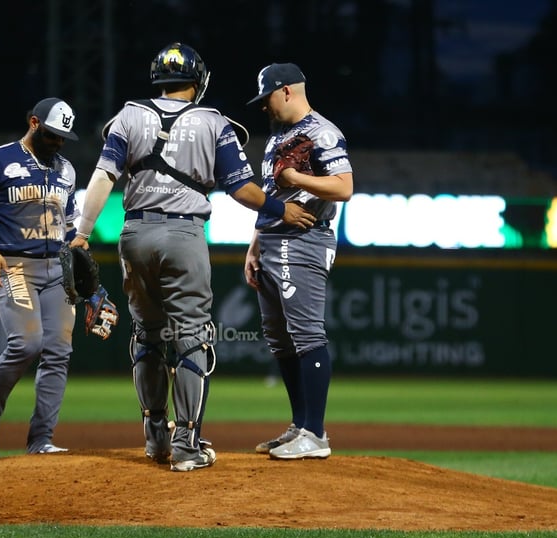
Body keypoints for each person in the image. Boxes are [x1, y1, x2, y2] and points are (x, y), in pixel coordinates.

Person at [71, 43, 314, 472]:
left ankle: (155, 438)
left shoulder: (128, 115)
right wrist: (281, 209)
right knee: (190, 337)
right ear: (198, 81)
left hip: (134, 233)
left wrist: (82, 234)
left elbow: (103, 176)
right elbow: (242, 190)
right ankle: (186, 445)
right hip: (183, 234)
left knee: (146, 334)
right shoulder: (213, 123)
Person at [0, 97, 81, 458]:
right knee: (27, 343)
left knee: (58, 351)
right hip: (13, 265)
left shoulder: (67, 170)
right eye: (53, 134)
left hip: (56, 269)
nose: (57, 143)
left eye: (63, 138)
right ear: (34, 122)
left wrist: (89, 283)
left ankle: (41, 439)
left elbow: (70, 227)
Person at [244, 63, 354, 460]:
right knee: (279, 337)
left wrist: (298, 179)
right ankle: (299, 425)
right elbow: (275, 192)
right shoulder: (279, 139)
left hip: (304, 239)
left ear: (287, 91)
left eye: (267, 97)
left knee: (306, 334)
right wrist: (254, 245)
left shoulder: (322, 132)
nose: (263, 107)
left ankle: (316, 433)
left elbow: (344, 187)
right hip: (272, 239)